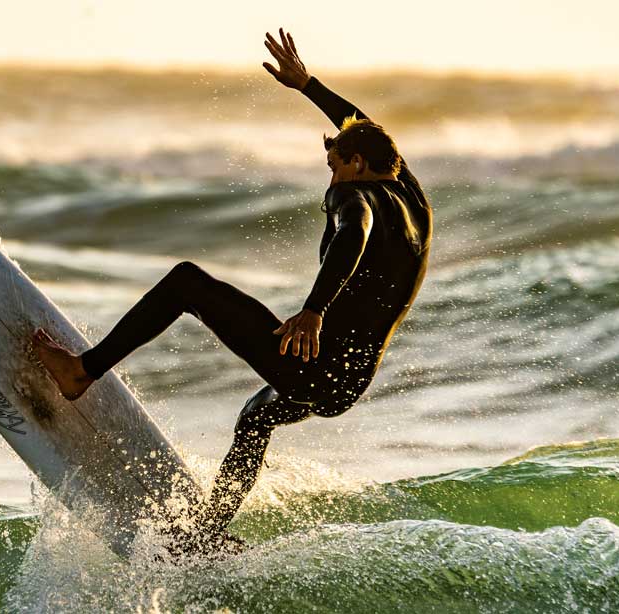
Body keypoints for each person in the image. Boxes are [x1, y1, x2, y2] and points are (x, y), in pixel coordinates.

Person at [31, 28, 432, 551]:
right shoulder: (412, 202)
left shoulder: (354, 197)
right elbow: (365, 126)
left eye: (335, 166)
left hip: (316, 364)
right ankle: (207, 535)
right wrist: (307, 85)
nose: (331, 179)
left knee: (185, 283)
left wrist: (313, 311)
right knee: (256, 417)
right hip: (350, 382)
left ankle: (80, 372)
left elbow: (353, 234)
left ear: (356, 166)